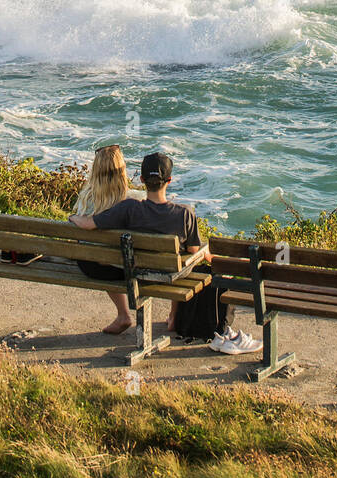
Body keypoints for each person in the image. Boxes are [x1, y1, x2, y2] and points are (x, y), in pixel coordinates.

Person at [71, 150, 261, 355]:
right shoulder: (185, 213)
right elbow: (193, 252)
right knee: (197, 261)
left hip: (134, 271)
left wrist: (72, 218)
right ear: (170, 180)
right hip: (169, 276)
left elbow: (89, 223)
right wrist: (206, 252)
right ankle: (177, 317)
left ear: (142, 179)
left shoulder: (128, 208)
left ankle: (148, 315)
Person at [71, 142, 137, 335]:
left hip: (91, 267)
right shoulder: (133, 202)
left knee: (102, 255)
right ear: (122, 170)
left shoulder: (85, 198)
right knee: (118, 257)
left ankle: (124, 314)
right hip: (128, 270)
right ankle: (173, 318)